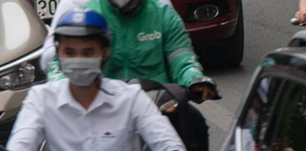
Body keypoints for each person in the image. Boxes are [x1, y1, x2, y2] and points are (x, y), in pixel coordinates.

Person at [77, 0, 213, 151]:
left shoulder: (163, 16)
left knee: (195, 123)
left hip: (157, 105)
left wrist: (194, 80)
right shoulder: (88, 17)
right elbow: (63, 65)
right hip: (101, 106)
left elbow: (183, 59)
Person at [9, 10, 184, 151]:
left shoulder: (130, 98)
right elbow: (22, 142)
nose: (78, 60)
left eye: (87, 53)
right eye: (69, 53)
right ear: (58, 54)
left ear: (104, 53)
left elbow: (167, 142)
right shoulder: (41, 99)